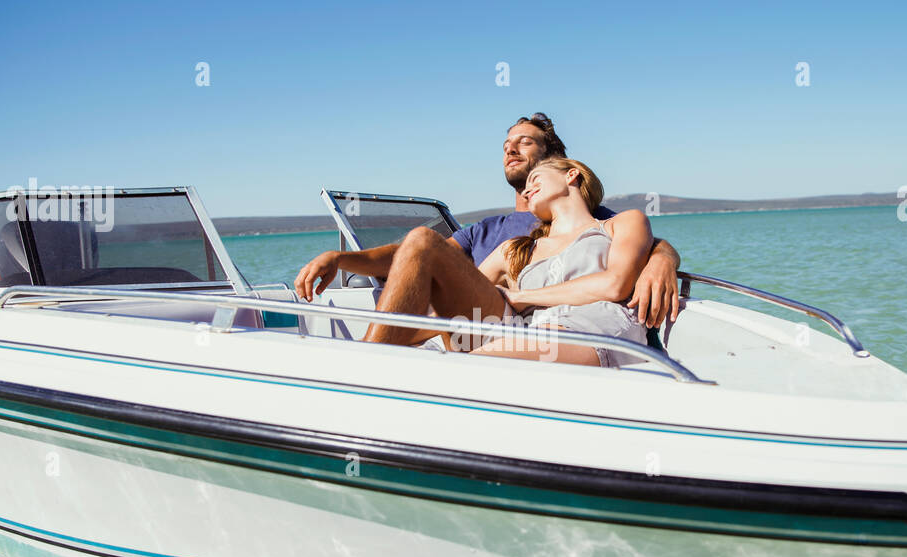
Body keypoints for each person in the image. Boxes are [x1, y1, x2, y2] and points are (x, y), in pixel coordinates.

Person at [292, 113, 681, 346]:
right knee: (422, 243)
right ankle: (368, 365)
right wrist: (342, 258)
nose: (510, 150)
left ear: (560, 162)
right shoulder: (489, 231)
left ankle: (363, 369)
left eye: (524, 142)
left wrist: (662, 260)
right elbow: (413, 257)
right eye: (506, 144)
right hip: (476, 318)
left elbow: (637, 246)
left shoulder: (588, 215)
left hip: (522, 321)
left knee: (423, 243)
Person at [472, 157, 648, 367]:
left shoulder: (621, 223)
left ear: (571, 175)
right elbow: (466, 292)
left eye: (535, 179)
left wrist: (520, 297)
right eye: (525, 189)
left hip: (597, 328)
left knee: (470, 365)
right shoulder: (516, 249)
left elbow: (615, 284)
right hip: (532, 334)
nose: (526, 192)